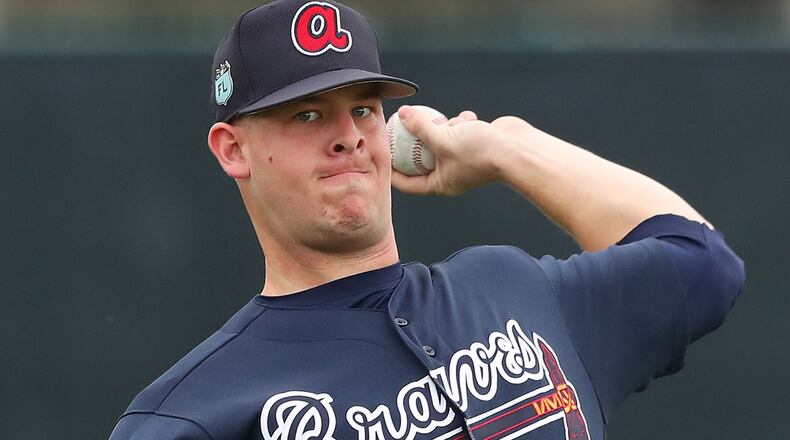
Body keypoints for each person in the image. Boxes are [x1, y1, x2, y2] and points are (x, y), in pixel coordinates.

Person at [109, 0, 745, 439]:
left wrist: (505, 147)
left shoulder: (512, 291)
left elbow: (702, 263)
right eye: (307, 115)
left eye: (362, 109)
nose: (348, 136)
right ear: (233, 149)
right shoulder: (194, 415)